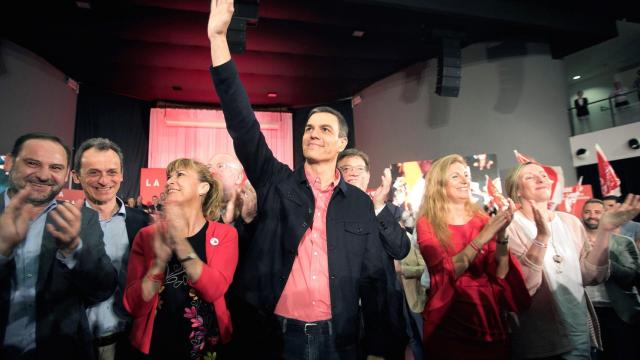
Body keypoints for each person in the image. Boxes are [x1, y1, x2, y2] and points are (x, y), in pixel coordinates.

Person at [208, 1, 389, 358]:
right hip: (274, 336)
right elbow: (243, 126)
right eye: (308, 128)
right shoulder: (277, 183)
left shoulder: (359, 202)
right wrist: (217, 39)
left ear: (342, 142)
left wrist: (380, 347)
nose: (313, 133)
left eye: (325, 129)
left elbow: (374, 278)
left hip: (339, 339)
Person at [504, 161, 640, 359]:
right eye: (530, 176)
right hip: (540, 339)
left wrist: (605, 231)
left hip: (579, 331)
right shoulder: (510, 227)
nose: (540, 178)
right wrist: (541, 237)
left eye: (542, 174)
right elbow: (524, 286)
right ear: (516, 191)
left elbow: (590, 276)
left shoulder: (570, 222)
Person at [0, 132, 117, 359]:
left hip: (61, 350)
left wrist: (74, 249)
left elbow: (103, 288)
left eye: (55, 167)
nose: (44, 175)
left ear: (66, 175)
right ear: (11, 163)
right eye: (33, 163)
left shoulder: (83, 219)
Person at [416, 154, 530, 359]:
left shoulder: (482, 219)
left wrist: (502, 235)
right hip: (449, 320)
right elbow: (443, 273)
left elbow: (501, 273)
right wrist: (483, 237)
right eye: (456, 176)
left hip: (488, 319)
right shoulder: (427, 223)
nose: (465, 180)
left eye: (466, 175)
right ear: (439, 184)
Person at [123, 158, 238, 359]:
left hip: (205, 346)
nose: (169, 182)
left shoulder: (225, 234)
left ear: (203, 187)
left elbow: (214, 290)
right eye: (169, 177)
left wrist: (178, 241)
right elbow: (134, 305)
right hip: (157, 345)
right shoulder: (147, 235)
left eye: (180, 175)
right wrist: (158, 263)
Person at [72, 138, 152, 360]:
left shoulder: (143, 223)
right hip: (78, 344)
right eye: (94, 172)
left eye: (111, 172)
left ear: (122, 174)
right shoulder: (65, 224)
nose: (104, 180)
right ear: (76, 176)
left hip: (130, 341)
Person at [337, 148, 414, 359]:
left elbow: (400, 250)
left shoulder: (386, 211)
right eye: (345, 169)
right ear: (336, 174)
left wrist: (379, 206)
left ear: (368, 175)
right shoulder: (324, 214)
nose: (353, 173)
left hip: (383, 315)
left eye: (359, 169)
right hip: (342, 318)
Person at [582, 198, 640, 360]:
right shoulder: (575, 243)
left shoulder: (623, 243)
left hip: (618, 312)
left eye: (597, 212)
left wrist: (603, 262)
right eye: (587, 212)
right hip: (588, 314)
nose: (591, 216)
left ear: (606, 215)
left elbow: (632, 277)